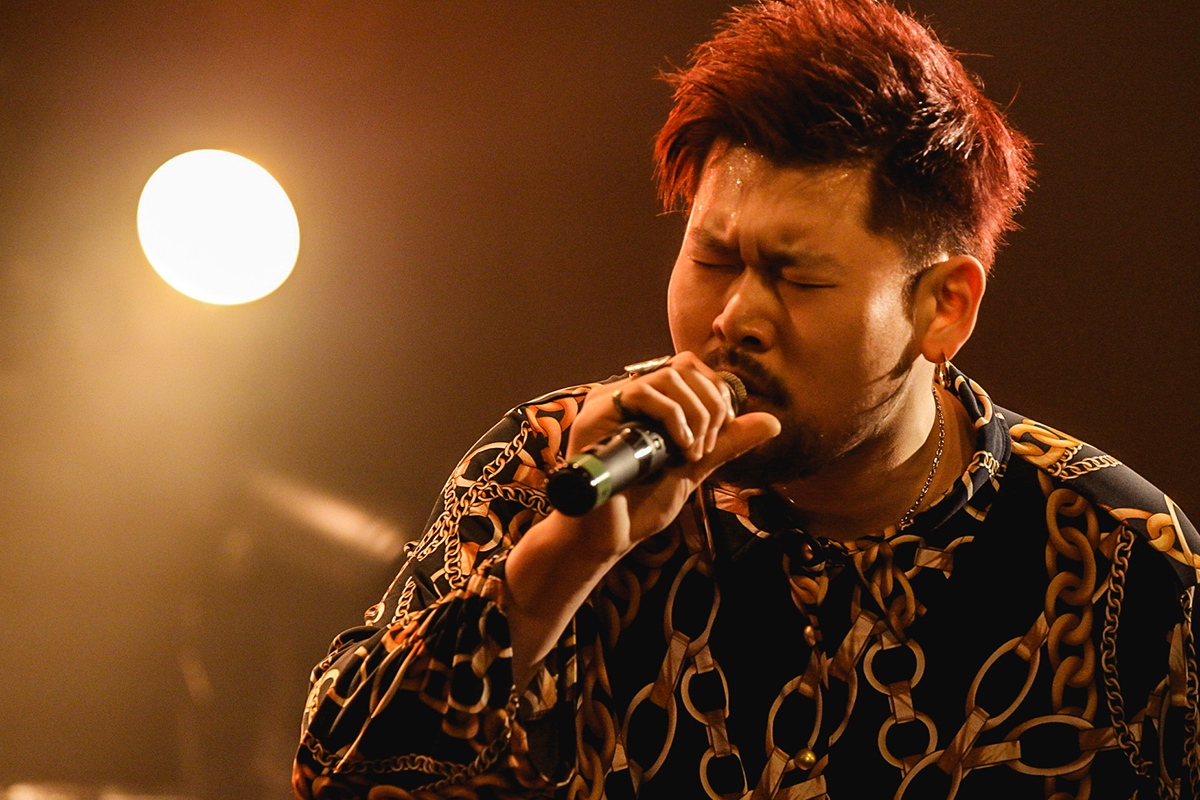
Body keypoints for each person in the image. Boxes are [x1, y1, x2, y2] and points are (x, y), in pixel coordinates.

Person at [292, 1, 1200, 798]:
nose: (733, 318)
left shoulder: (1121, 556)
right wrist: (559, 563)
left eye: (796, 277)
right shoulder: (558, 461)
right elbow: (337, 777)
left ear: (944, 307)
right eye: (713, 258)